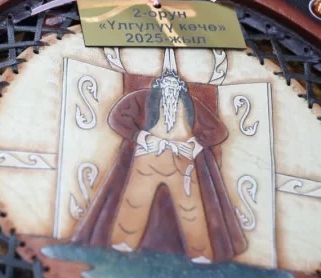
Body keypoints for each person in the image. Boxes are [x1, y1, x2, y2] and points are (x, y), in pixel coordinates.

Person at [71, 51, 247, 263]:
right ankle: (122, 243)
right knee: (135, 201)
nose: (170, 90)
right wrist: (141, 136)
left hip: (182, 162)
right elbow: (117, 118)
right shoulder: (141, 98)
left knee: (191, 208)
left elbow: (219, 131)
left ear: (181, 88)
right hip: (148, 158)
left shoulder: (192, 105)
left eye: (174, 86)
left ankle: (200, 252)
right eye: (167, 85)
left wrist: (195, 144)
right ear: (159, 86)